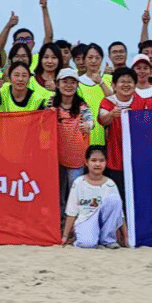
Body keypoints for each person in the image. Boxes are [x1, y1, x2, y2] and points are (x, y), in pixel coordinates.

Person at [60, 146, 127, 249]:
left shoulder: (110, 184)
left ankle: (107, 239)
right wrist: (65, 236)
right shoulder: (79, 183)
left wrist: (126, 237)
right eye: (94, 160)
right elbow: (71, 212)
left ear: (106, 162)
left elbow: (119, 214)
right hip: (85, 221)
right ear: (86, 162)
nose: (97, 164)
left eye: (101, 161)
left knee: (115, 199)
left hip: (105, 224)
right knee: (87, 243)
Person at [51, 68, 94, 206]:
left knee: (74, 195)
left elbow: (91, 121)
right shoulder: (51, 104)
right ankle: (60, 218)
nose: (69, 85)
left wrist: (88, 125)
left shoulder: (82, 106)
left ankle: (73, 219)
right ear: (57, 84)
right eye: (65, 82)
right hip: (55, 158)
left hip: (76, 159)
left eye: (73, 82)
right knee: (57, 195)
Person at [98, 67, 136, 202]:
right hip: (115, 157)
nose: (126, 85)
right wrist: (111, 114)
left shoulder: (140, 102)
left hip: (136, 159)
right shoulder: (108, 102)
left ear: (135, 85)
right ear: (114, 85)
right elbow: (103, 119)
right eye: (122, 82)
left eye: (129, 82)